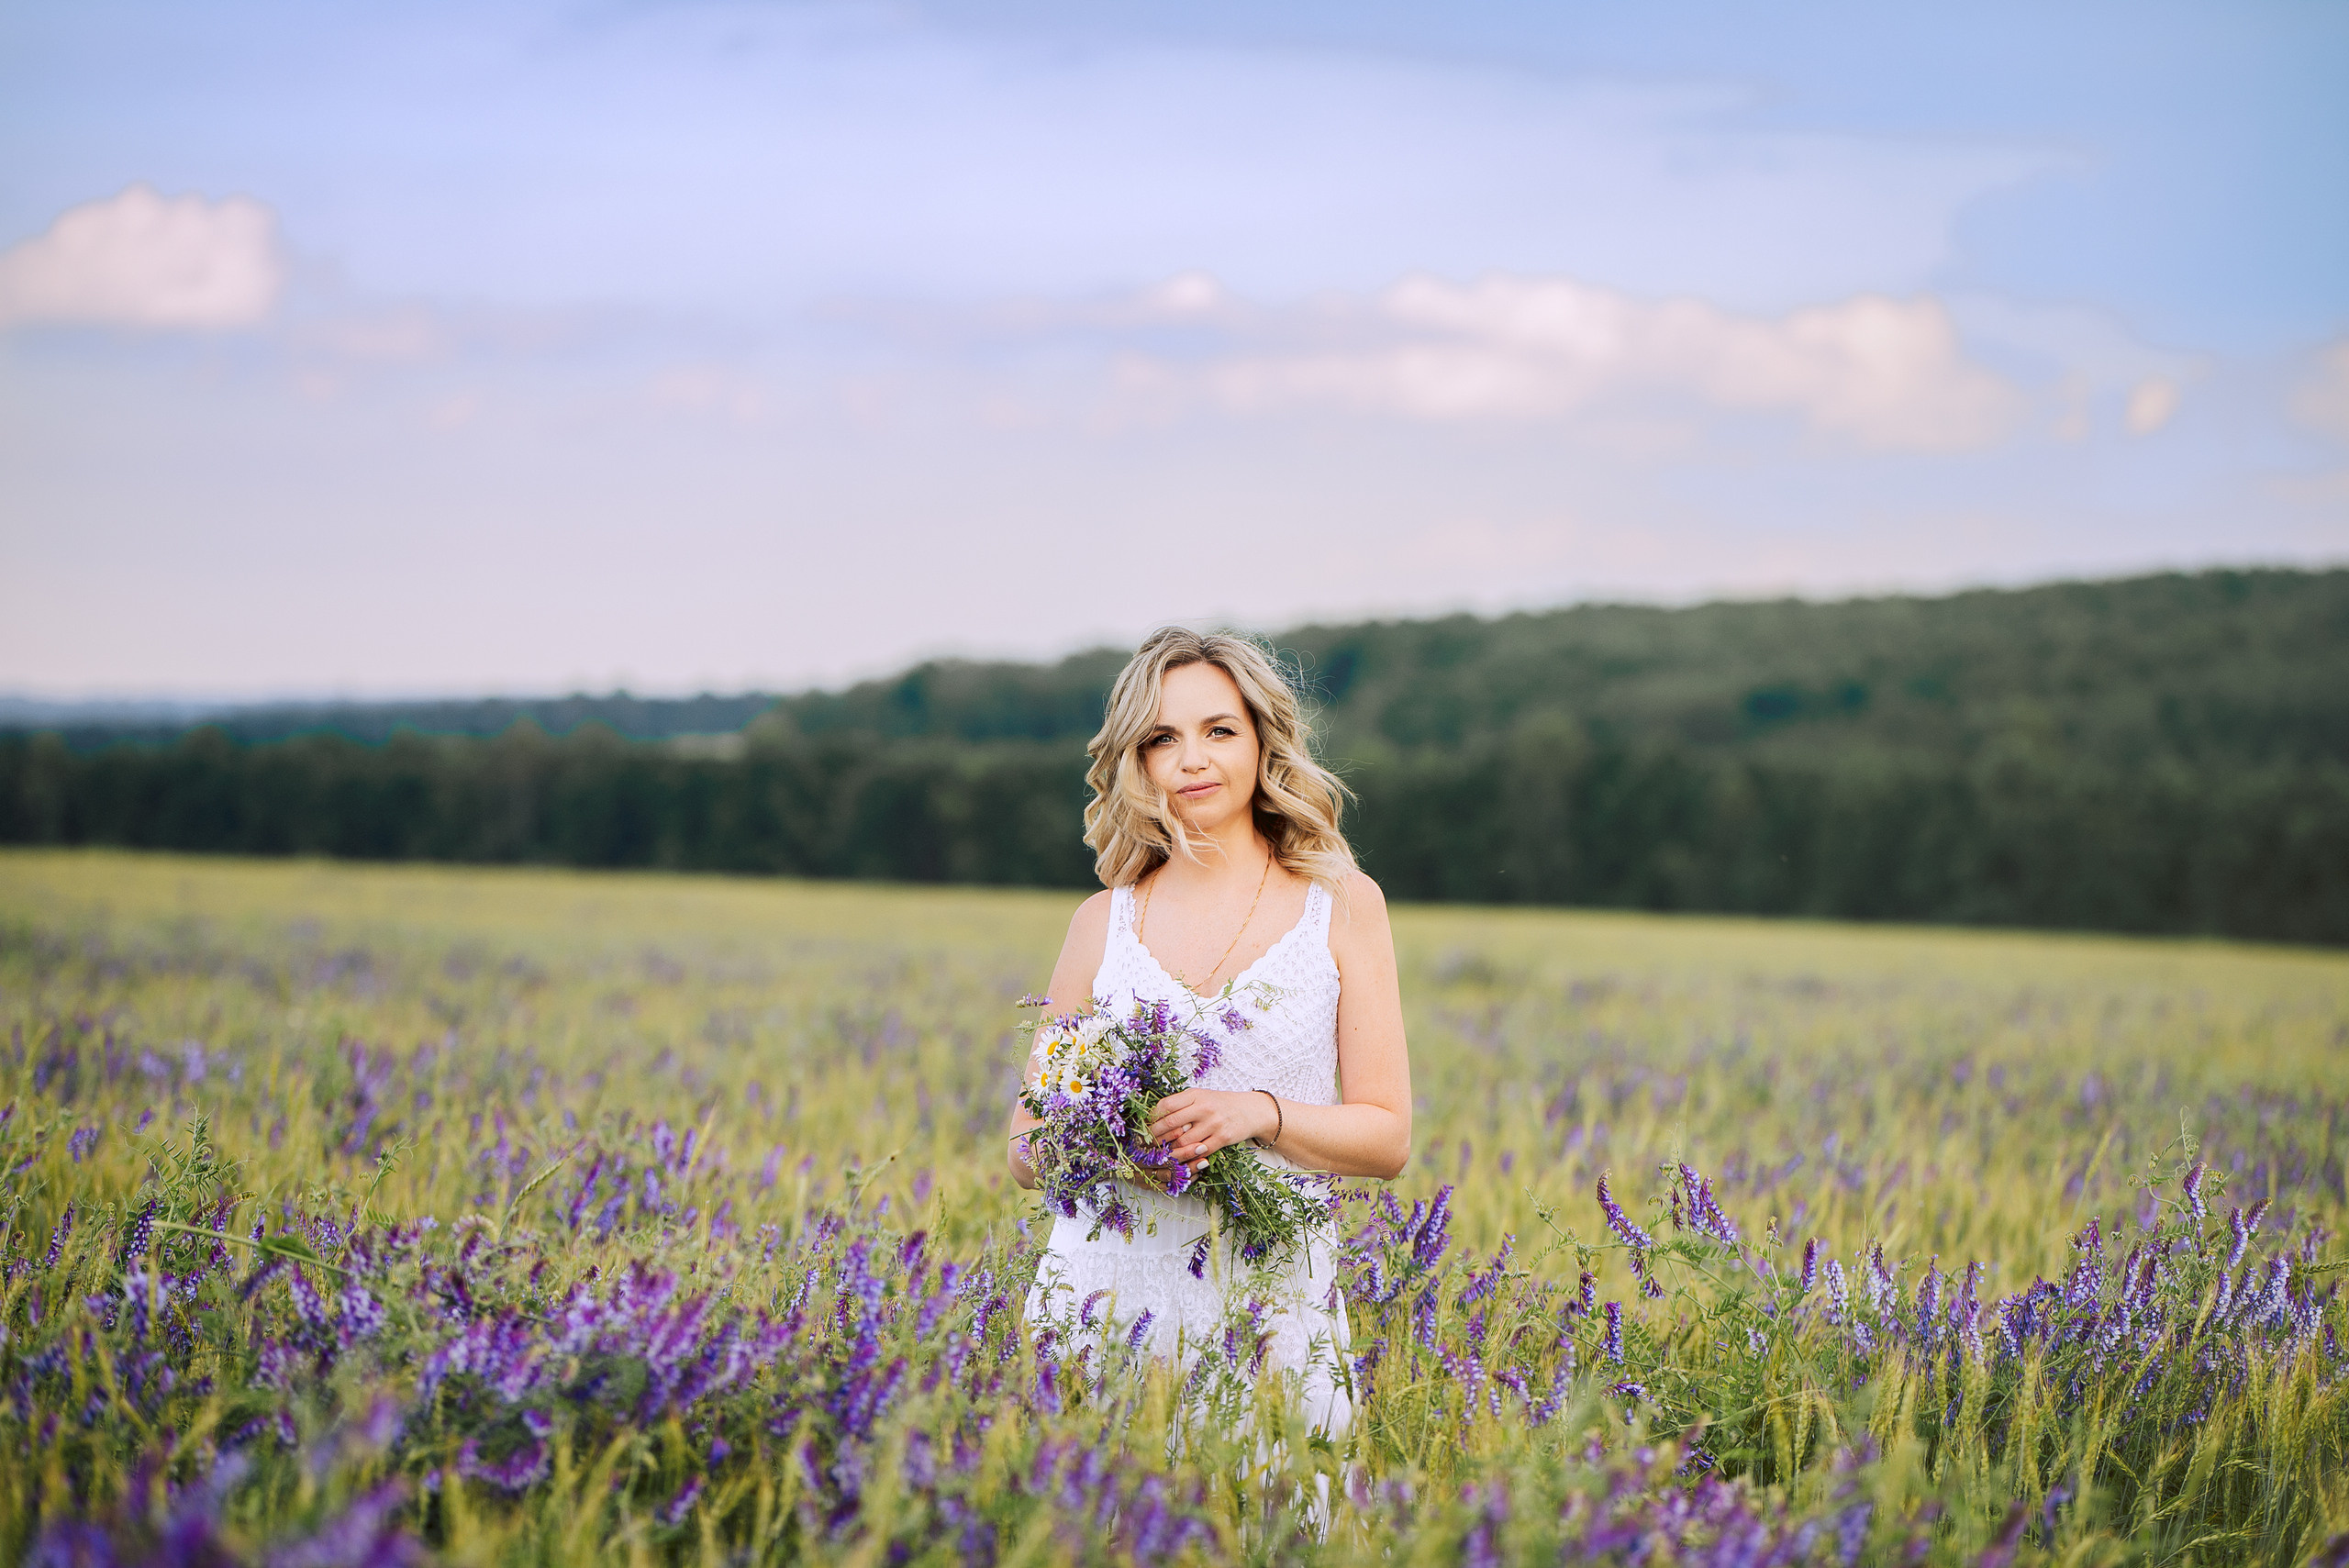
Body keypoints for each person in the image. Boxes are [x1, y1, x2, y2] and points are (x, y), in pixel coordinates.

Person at [1007, 627, 1413, 1438]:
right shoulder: (1101, 923)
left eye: (1218, 730)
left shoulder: (1342, 903)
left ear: (1263, 741)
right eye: (1163, 737)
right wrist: (1117, 1146)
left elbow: (1388, 1137)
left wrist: (1258, 1112)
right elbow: (1024, 1147)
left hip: (1272, 1312)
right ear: (1137, 760)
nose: (1193, 759)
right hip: (1100, 1297)